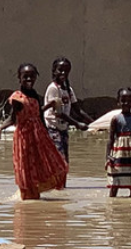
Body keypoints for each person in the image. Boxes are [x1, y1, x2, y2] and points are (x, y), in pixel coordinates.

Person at [0, 63, 68, 200]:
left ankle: (33, 202)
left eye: (32, 76)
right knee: (27, 171)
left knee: (54, 166)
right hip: (25, 139)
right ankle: (26, 202)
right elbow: (13, 118)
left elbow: (38, 114)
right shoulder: (17, 97)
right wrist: (0, 128)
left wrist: (48, 137)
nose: (29, 79)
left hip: (38, 137)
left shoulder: (34, 94)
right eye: (25, 76)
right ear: (19, 78)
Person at [44, 57, 94, 185]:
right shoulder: (53, 89)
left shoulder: (68, 90)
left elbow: (78, 110)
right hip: (53, 129)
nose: (63, 73)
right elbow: (59, 113)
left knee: (65, 161)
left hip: (63, 129)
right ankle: (55, 187)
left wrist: (94, 123)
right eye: (60, 70)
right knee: (59, 160)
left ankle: (62, 187)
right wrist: (77, 124)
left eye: (66, 71)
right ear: (54, 71)